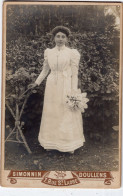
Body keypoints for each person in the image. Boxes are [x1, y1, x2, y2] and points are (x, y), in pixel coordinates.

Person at [30, 26, 85, 154]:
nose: (60, 39)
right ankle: (50, 142)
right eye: (58, 36)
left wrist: (73, 92)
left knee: (66, 112)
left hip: (66, 85)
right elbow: (45, 70)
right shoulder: (49, 52)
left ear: (66, 39)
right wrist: (36, 83)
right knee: (52, 112)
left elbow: (74, 74)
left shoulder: (72, 53)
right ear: (54, 38)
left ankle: (68, 144)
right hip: (52, 86)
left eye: (63, 37)